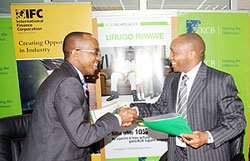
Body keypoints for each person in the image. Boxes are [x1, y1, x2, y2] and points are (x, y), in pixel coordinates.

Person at [19, 32, 138, 161]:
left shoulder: (61, 76)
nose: (99, 58)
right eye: (94, 52)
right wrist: (118, 118)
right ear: (76, 53)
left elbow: (66, 119)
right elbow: (82, 137)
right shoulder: (68, 82)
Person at [130, 33, 246, 161]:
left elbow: (237, 120)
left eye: (174, 52)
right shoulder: (171, 79)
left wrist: (207, 137)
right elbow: (161, 108)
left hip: (207, 155)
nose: (170, 57)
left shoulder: (220, 80)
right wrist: (135, 111)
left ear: (191, 54)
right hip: (176, 154)